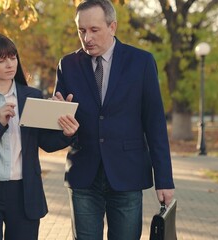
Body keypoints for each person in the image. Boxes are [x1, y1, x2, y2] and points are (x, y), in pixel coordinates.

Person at [53, 0, 175, 239]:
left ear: (112, 27)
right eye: (82, 31)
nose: (87, 37)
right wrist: (64, 128)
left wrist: (164, 179)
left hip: (128, 174)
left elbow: (155, 125)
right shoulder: (67, 65)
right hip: (83, 175)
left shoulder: (141, 62)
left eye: (94, 30)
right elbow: (58, 127)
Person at [0, 33, 79, 240]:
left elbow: (45, 143)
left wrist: (66, 133)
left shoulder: (31, 96)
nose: (9, 64)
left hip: (25, 194)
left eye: (12, 57)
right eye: (1, 59)